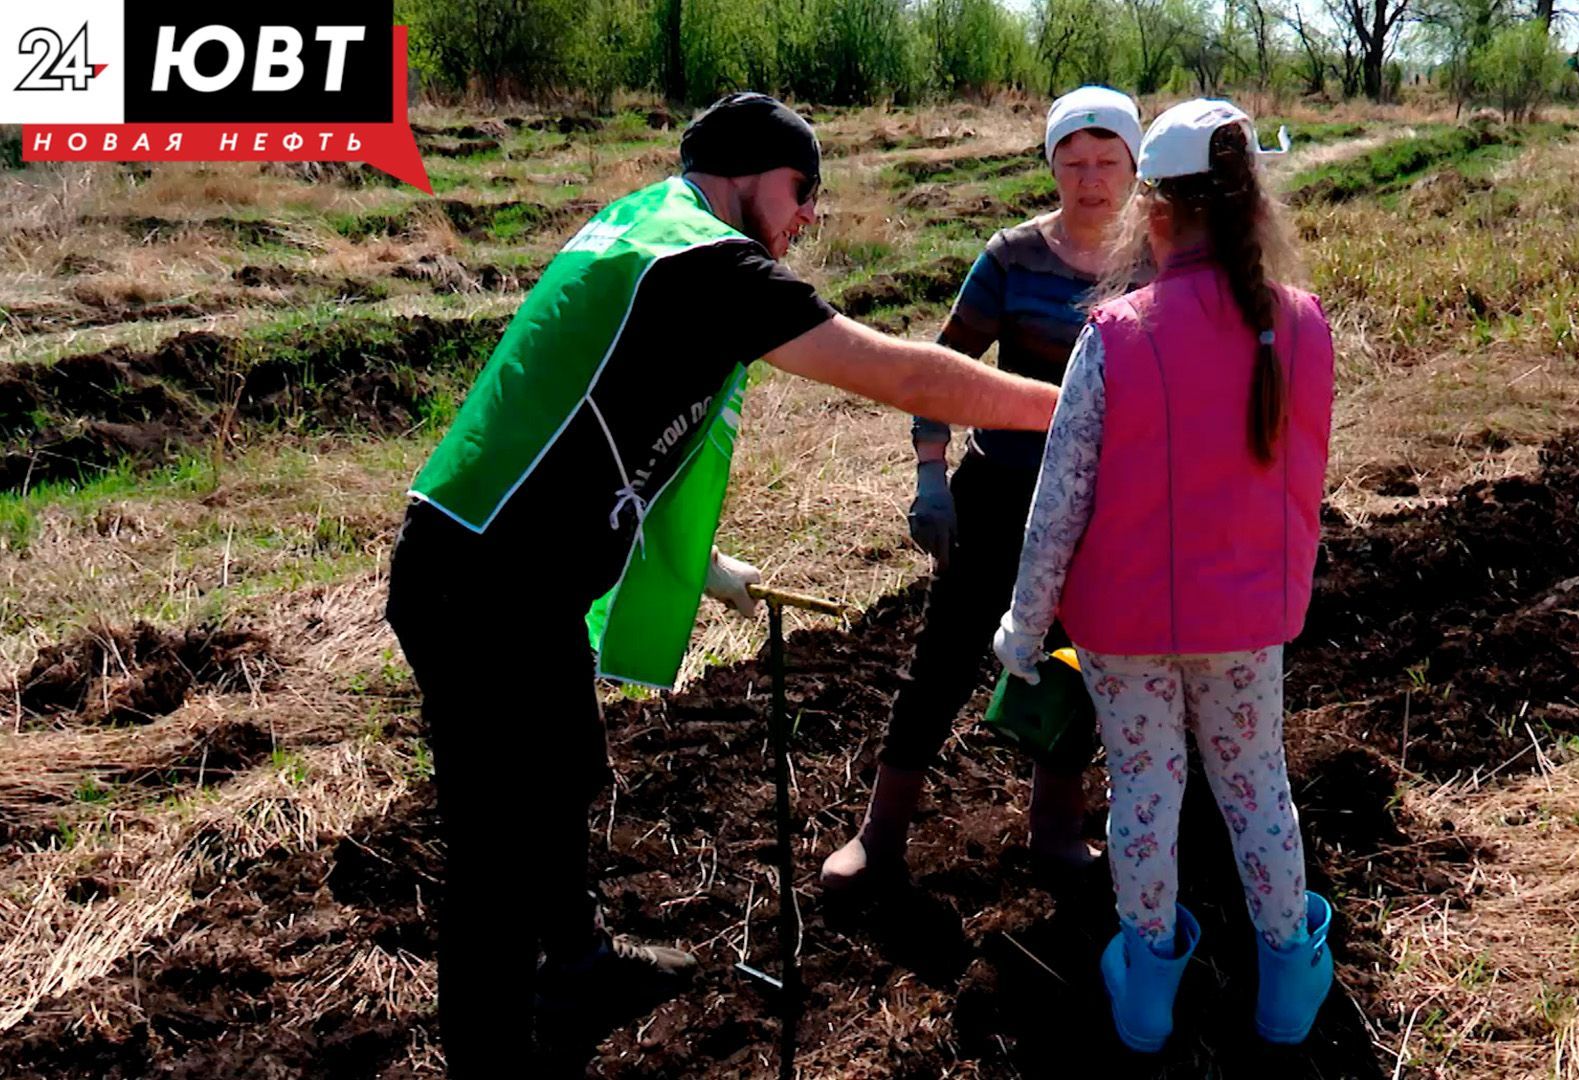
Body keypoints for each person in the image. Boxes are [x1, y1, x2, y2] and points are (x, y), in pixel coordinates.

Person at [385, 92, 1067, 1076]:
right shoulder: (707, 259)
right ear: (746, 174)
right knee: (494, 858)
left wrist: (700, 566)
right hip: (482, 587)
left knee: (567, 772)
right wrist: (1082, 405)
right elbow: (907, 378)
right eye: (802, 191)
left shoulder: (639, 227)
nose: (808, 219)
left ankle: (578, 959)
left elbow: (597, 411)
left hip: (505, 570)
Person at [994, 98, 1337, 1053]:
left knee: (1144, 792)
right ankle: (1287, 987)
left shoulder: (1113, 335)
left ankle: (1146, 997)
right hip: (1247, 621)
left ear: (1153, 212)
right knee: (1257, 786)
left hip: (1123, 627)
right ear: (1253, 207)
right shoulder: (1304, 328)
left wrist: (1024, 631)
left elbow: (1057, 504)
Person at [820, 86, 1146, 891]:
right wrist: (931, 477)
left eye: (1108, 162)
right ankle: (881, 834)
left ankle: (1056, 832)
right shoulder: (1011, 258)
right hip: (1000, 488)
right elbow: (944, 371)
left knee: (1078, 657)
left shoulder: (1156, 267)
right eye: (1073, 162)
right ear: (1052, 167)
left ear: (1136, 168)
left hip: (1108, 504)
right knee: (945, 652)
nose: (1091, 179)